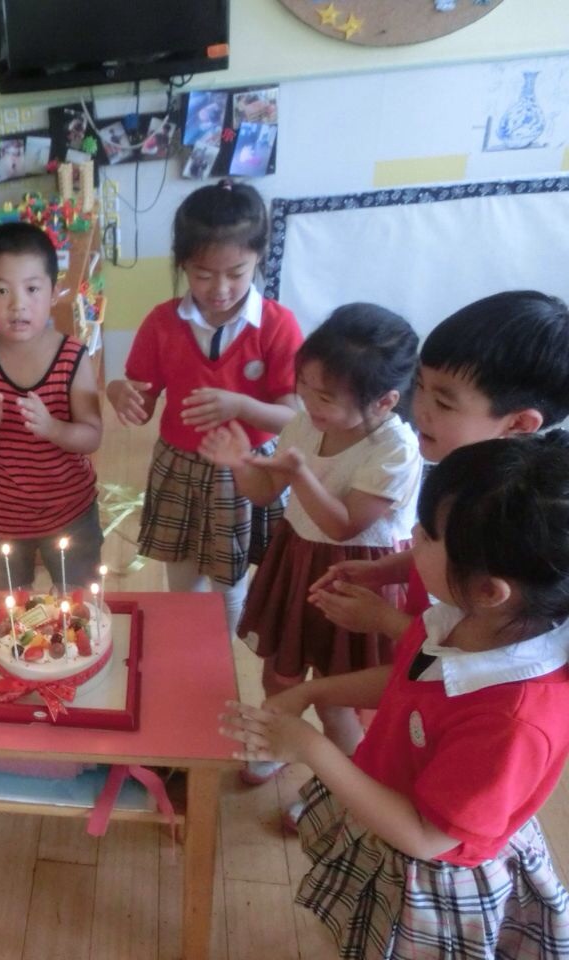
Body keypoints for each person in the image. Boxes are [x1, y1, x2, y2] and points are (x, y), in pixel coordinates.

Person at [222, 432, 569, 958]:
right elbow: (410, 679)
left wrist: (311, 747)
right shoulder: (470, 621)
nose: (410, 538)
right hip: (388, 798)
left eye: (426, 536)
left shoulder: (513, 723)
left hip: (429, 870)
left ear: (490, 590)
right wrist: (314, 690)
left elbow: (426, 836)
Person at [201, 305, 422, 783]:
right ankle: (276, 744)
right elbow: (264, 492)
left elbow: (344, 526)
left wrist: (299, 473)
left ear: (384, 402)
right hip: (297, 557)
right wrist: (240, 462)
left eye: (325, 396)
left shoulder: (395, 449)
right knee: (278, 675)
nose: (309, 402)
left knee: (334, 696)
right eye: (304, 386)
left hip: (356, 575)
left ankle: (344, 787)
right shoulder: (306, 424)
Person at [311, 291, 569, 642]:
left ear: (519, 424)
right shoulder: (464, 473)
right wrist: (383, 570)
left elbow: (473, 657)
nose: (420, 409)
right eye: (419, 385)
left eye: (444, 403)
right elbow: (441, 549)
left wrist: (385, 621)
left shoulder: (510, 521)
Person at [106, 179, 302, 629]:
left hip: (247, 469)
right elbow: (142, 398)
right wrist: (120, 392)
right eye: (202, 273)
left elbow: (292, 417)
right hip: (179, 465)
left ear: (258, 258)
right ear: (182, 264)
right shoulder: (162, 322)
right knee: (181, 580)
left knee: (229, 585)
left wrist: (241, 406)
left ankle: (220, 658)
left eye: (236, 272)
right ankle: (188, 651)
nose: (220, 288)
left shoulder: (277, 325)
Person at [0, 221, 101, 590]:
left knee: (77, 603)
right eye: (1, 290)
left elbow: (92, 436)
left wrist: (54, 428)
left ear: (54, 292)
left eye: (32, 289)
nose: (18, 305)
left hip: (71, 511)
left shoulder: (72, 357)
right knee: (14, 609)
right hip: (1, 517)